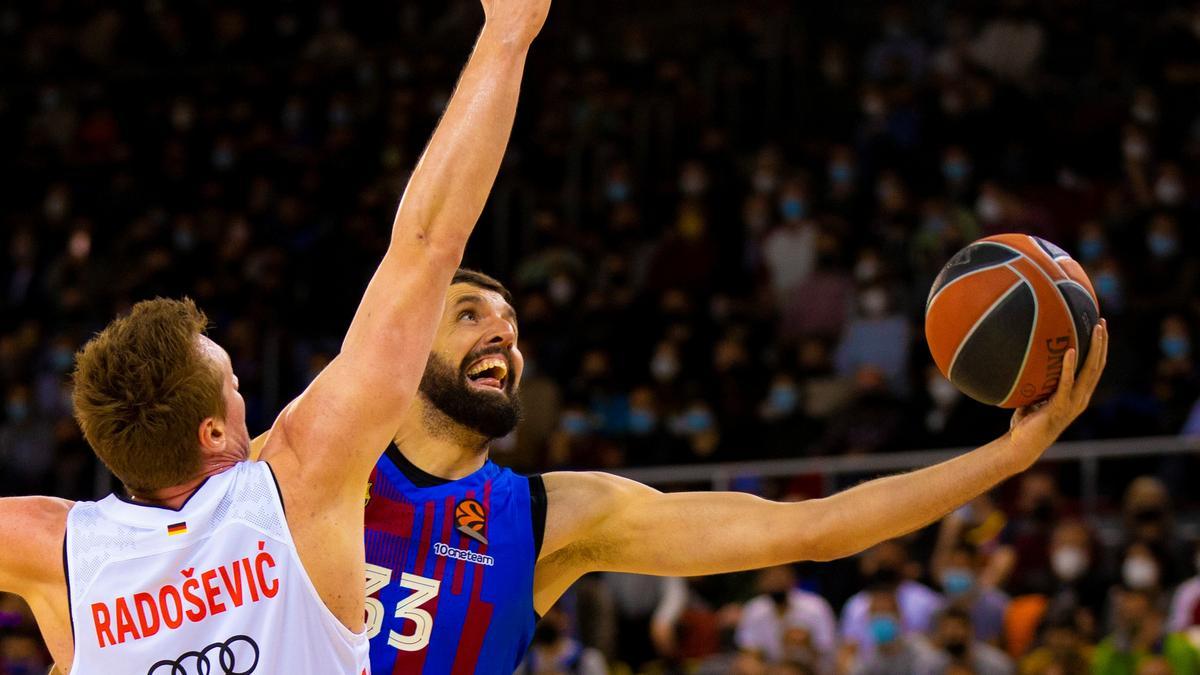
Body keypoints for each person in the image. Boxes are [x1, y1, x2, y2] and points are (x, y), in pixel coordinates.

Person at [0, 0, 553, 671]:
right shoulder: (298, 485)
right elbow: (429, 245)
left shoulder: (53, 546)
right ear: (211, 432)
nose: (244, 397)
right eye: (232, 384)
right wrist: (507, 34)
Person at [279, 262, 1104, 674]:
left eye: (512, 322)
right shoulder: (308, 467)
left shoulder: (549, 517)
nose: (502, 334)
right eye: (468, 315)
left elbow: (812, 530)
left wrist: (1012, 452)